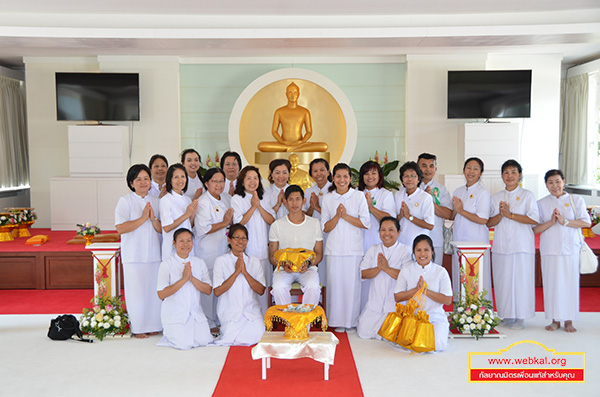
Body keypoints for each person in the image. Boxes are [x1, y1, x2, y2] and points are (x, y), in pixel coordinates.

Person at [533, 169, 590, 333]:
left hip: (570, 249)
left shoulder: (575, 199)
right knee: (551, 284)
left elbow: (585, 223)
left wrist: (564, 221)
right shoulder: (541, 203)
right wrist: (551, 222)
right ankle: (554, 319)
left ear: (563, 182)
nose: (554, 185)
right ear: (546, 185)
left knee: (569, 284)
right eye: (550, 182)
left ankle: (569, 320)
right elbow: (535, 229)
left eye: (558, 181)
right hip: (550, 249)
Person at [487, 160, 539, 330]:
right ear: (502, 175)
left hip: (521, 245)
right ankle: (506, 314)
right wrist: (502, 215)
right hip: (501, 245)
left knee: (521, 281)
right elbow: (489, 223)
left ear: (520, 175)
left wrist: (510, 215)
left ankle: (520, 317)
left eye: (513, 172)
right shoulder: (496, 197)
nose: (509, 176)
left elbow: (533, 219)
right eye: (506, 172)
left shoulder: (527, 195)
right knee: (503, 281)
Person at [114, 164, 163, 339]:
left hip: (154, 255)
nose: (143, 182)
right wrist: (143, 218)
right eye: (138, 179)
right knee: (136, 293)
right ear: (131, 183)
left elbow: (160, 229)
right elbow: (120, 228)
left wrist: (153, 218)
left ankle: (153, 325)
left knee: (152, 292)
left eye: (146, 179)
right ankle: (138, 327)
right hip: (134, 256)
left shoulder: (156, 201)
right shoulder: (125, 201)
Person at [321, 163, 370, 332]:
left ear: (350, 179)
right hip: (334, 249)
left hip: (353, 249)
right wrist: (337, 216)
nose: (342, 180)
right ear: (333, 179)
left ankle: (351, 322)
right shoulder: (328, 198)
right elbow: (325, 227)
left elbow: (365, 223)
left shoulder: (358, 196)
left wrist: (345, 216)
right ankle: (335, 321)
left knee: (352, 287)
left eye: (345, 177)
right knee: (336, 286)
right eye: (338, 176)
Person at [156, 228, 213, 349]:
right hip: (175, 313)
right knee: (184, 344)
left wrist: (191, 278)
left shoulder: (199, 262)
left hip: (195, 313)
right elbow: (161, 294)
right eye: (181, 241)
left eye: (189, 241)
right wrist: (183, 279)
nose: (185, 244)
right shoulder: (166, 264)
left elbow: (208, 290)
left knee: (204, 340)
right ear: (174, 243)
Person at [394, 235, 452, 352]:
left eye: (426, 250)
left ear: (432, 251)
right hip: (412, 317)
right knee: (409, 343)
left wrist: (425, 291)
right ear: (414, 252)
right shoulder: (406, 270)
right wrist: (416, 290)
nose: (422, 254)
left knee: (437, 344)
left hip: (435, 317)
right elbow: (397, 297)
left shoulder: (440, 271)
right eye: (418, 250)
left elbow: (447, 300)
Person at [357, 217, 412, 340]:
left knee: (391, 335)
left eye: (391, 230)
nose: (387, 233)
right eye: (383, 230)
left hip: (394, 306)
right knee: (363, 333)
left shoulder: (406, 250)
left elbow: (407, 278)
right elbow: (363, 274)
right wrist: (378, 268)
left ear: (399, 232)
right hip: (375, 304)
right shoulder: (373, 249)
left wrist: (387, 268)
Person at [269, 185, 323, 306]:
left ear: (304, 201)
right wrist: (283, 264)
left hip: (307, 269)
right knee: (278, 287)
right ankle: (288, 322)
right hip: (284, 269)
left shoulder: (314, 223)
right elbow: (272, 257)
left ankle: (305, 323)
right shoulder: (277, 225)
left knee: (313, 287)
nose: (294, 203)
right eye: (291, 199)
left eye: (298, 199)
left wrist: (308, 264)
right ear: (285, 202)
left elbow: (319, 254)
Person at [231, 166, 275, 311]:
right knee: (246, 286)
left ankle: (265, 319)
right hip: (246, 251)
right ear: (242, 182)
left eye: (255, 178)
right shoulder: (237, 199)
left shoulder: (264, 197)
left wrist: (259, 206)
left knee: (263, 285)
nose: (252, 181)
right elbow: (238, 224)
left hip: (262, 250)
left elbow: (271, 220)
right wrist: (252, 207)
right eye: (248, 178)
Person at [194, 168, 233, 333]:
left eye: (221, 181)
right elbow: (203, 228)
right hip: (208, 252)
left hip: (223, 250)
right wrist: (224, 223)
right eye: (215, 181)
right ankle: (209, 322)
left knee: (222, 285)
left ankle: (220, 319)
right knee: (209, 287)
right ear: (207, 183)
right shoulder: (203, 201)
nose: (219, 185)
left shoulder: (226, 198)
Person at [213, 224, 266, 346]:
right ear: (229, 240)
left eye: (244, 238)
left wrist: (245, 272)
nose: (240, 241)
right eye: (237, 237)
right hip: (231, 313)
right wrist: (236, 272)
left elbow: (261, 290)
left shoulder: (254, 261)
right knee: (232, 339)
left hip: (251, 312)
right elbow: (217, 291)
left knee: (258, 335)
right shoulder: (221, 261)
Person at [358, 160, 396, 311]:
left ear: (380, 175)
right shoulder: (356, 193)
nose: (370, 177)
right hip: (358, 240)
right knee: (361, 276)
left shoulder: (385, 194)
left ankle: (376, 310)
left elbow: (390, 219)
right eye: (366, 173)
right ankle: (359, 311)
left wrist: (371, 208)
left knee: (376, 276)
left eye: (374, 173)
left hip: (377, 240)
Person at [451, 157, 491, 298]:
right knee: (460, 275)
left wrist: (461, 211)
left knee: (476, 279)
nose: (471, 171)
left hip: (476, 243)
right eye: (468, 168)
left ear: (481, 173)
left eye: (475, 169)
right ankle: (460, 311)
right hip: (459, 240)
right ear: (463, 170)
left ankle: (479, 312)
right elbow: (452, 214)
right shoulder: (458, 191)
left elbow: (482, 219)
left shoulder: (483, 193)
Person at [258, 82, 328, 152]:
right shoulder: (279, 111)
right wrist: (282, 142)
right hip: (284, 144)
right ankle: (295, 149)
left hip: (300, 143)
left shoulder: (305, 111)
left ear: (298, 94)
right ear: (286, 94)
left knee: (324, 146)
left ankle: (291, 149)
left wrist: (302, 141)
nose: (292, 95)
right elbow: (274, 131)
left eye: (295, 92)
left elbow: (309, 132)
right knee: (261, 145)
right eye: (290, 92)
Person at [417, 153, 452, 264]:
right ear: (418, 168)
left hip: (435, 239)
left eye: (431, 166)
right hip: (414, 238)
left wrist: (430, 201)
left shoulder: (442, 189)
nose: (428, 169)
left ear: (435, 169)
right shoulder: (411, 187)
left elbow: (448, 214)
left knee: (435, 274)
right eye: (424, 166)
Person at [303, 158, 333, 285]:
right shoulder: (309, 191)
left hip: (330, 234)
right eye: (315, 171)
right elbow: (305, 216)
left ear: (328, 172)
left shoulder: (334, 190)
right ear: (311, 174)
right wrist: (311, 207)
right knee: (315, 268)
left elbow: (335, 217)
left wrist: (317, 207)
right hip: (313, 235)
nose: (319, 174)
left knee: (329, 267)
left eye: (322, 170)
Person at [160, 163, 198, 260]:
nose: (180, 180)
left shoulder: (187, 199)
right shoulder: (166, 200)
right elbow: (167, 227)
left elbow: (189, 225)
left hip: (187, 248)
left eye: (183, 176)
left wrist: (192, 214)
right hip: (172, 249)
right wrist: (186, 214)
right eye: (176, 177)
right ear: (170, 180)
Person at [394, 161, 434, 247]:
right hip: (400, 243)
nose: (409, 179)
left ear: (418, 179)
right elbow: (393, 220)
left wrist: (409, 217)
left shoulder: (425, 197)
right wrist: (400, 216)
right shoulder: (398, 195)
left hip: (418, 245)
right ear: (402, 179)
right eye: (406, 176)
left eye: (413, 176)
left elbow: (430, 225)